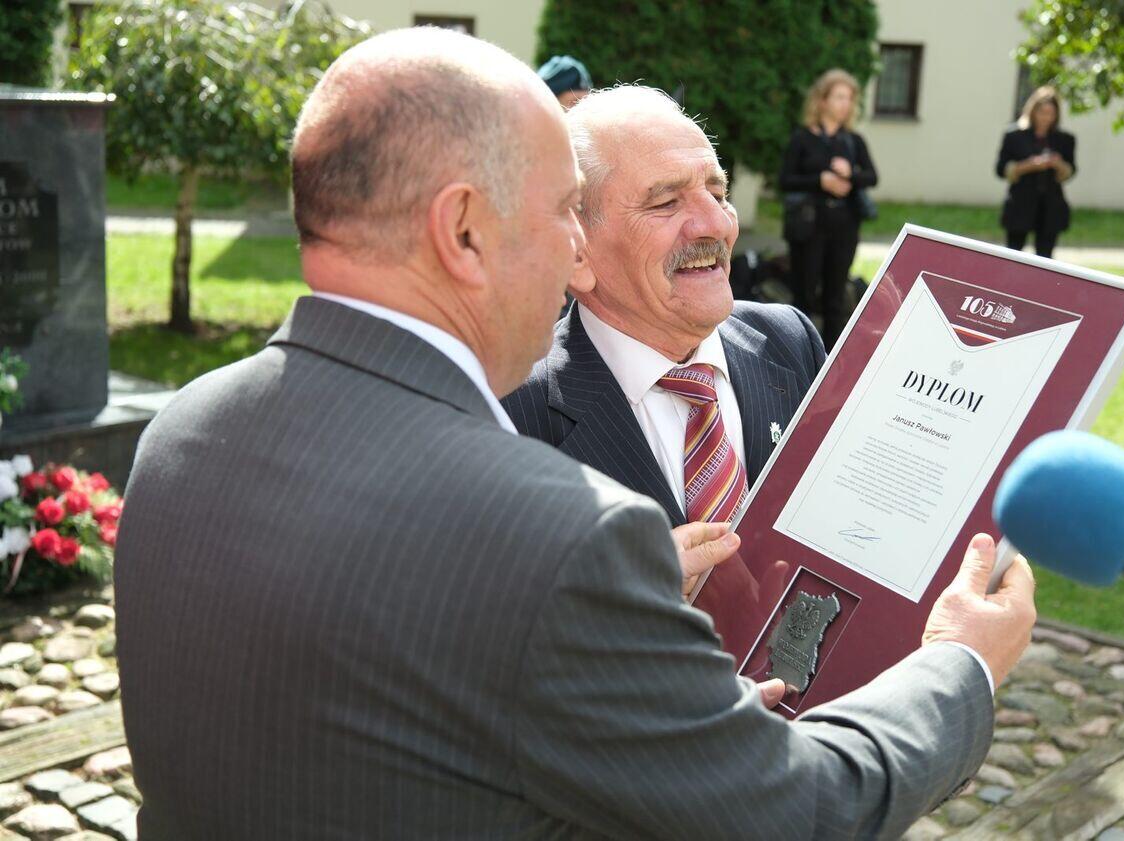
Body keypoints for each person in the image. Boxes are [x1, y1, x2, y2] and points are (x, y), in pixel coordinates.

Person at [115, 28, 1036, 840]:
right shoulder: (563, 536)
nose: (571, 252)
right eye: (561, 211)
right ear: (463, 232)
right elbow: (800, 811)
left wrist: (651, 682)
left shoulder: (182, 429)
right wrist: (960, 664)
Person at [504, 86, 826, 532]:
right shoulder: (513, 412)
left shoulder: (788, 342)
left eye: (717, 193)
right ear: (577, 252)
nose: (717, 223)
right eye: (666, 203)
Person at [779, 68, 878, 347]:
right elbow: (785, 180)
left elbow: (872, 177)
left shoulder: (853, 141)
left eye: (850, 98)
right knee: (804, 295)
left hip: (844, 226)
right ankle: (799, 352)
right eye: (839, 97)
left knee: (835, 297)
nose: (846, 104)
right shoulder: (802, 138)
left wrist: (851, 174)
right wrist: (821, 180)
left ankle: (832, 357)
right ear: (822, 100)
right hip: (809, 226)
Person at [996, 85, 1076, 258]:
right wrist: (1027, 165)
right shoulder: (1014, 136)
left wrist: (1058, 164)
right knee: (1013, 256)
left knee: (1045, 259)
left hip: (1050, 207)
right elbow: (1000, 169)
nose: (1046, 117)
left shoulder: (1064, 139)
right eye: (1042, 112)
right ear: (1033, 111)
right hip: (1020, 204)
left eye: (1050, 113)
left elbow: (1071, 170)